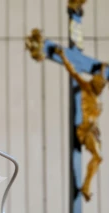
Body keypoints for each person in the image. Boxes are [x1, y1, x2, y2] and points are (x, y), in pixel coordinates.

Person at [55, 47, 106, 201]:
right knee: (98, 156)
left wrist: (103, 68)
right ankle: (85, 186)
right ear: (94, 83)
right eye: (100, 85)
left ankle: (85, 186)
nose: (101, 88)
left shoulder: (96, 94)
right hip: (84, 129)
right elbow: (73, 72)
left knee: (98, 158)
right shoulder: (86, 87)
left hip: (93, 129)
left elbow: (102, 76)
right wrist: (63, 56)